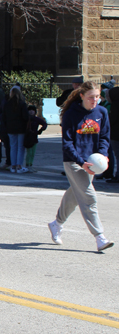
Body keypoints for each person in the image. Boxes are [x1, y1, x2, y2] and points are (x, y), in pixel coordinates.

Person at [48, 81, 114, 252]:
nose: (95, 101)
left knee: (76, 195)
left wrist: (103, 156)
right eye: (91, 97)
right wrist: (81, 162)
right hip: (74, 161)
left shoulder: (102, 112)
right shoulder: (71, 114)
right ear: (82, 96)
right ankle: (100, 237)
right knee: (89, 197)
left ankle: (57, 223)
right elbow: (67, 143)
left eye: (98, 97)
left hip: (93, 162)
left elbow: (105, 137)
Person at [1, 84, 30, 173]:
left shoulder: (7, 104)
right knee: (20, 147)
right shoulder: (22, 104)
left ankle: (13, 166)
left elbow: (4, 116)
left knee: (13, 147)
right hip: (21, 128)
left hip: (10, 128)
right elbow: (26, 117)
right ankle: (19, 166)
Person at [24, 105, 47, 173]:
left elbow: (44, 124)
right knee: (29, 152)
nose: (31, 112)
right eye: (29, 110)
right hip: (27, 137)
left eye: (32, 110)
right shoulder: (26, 118)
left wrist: (40, 130)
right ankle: (27, 165)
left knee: (32, 153)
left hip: (34, 137)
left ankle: (30, 165)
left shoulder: (36, 119)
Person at [105, 87, 119, 183]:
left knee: (117, 156)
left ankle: (117, 176)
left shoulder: (115, 105)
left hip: (116, 135)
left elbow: (111, 120)